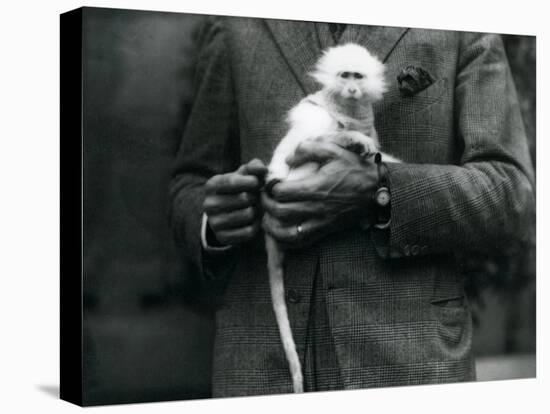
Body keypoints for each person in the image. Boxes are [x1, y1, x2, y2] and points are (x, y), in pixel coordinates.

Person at [169, 16, 535, 397]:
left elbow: (512, 193)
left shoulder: (464, 19)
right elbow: (189, 182)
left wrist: (379, 191)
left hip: (408, 364)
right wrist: (214, 221)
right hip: (260, 366)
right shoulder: (235, 21)